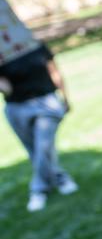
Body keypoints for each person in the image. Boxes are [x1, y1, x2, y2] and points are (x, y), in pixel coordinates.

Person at [0, 42, 77, 213]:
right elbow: (7, 89)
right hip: (17, 108)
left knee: (43, 147)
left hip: (47, 103)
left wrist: (65, 98)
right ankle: (60, 178)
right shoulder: (3, 54)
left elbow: (54, 72)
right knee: (35, 151)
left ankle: (38, 190)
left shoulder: (37, 46)